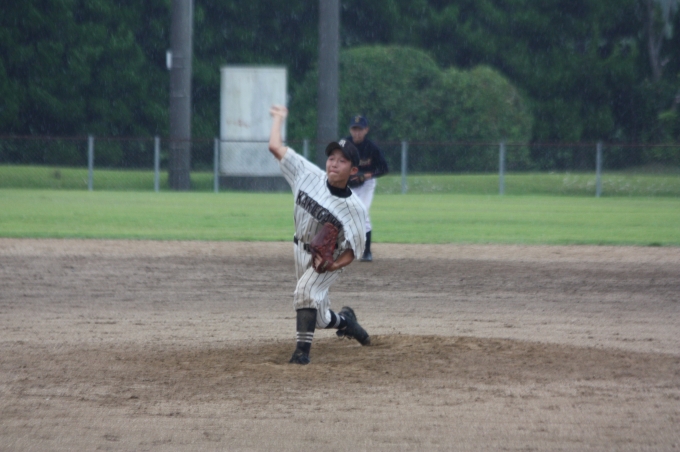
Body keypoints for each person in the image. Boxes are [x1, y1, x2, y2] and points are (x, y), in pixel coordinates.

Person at [268, 105, 372, 365]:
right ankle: (349, 323)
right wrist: (278, 119)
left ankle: (301, 355)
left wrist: (333, 265)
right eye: (331, 158)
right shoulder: (307, 174)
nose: (334, 163)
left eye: (342, 161)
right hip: (299, 250)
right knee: (320, 317)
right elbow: (275, 147)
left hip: (328, 261)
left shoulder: (354, 209)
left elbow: (353, 250)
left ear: (354, 171)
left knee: (304, 292)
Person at [344, 115, 389, 262]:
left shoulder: (371, 148)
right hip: (347, 184)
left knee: (362, 212)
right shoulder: (343, 144)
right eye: (354, 129)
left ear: (366, 130)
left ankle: (366, 251)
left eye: (360, 129)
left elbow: (384, 168)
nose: (357, 132)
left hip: (366, 185)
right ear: (350, 130)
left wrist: (367, 175)